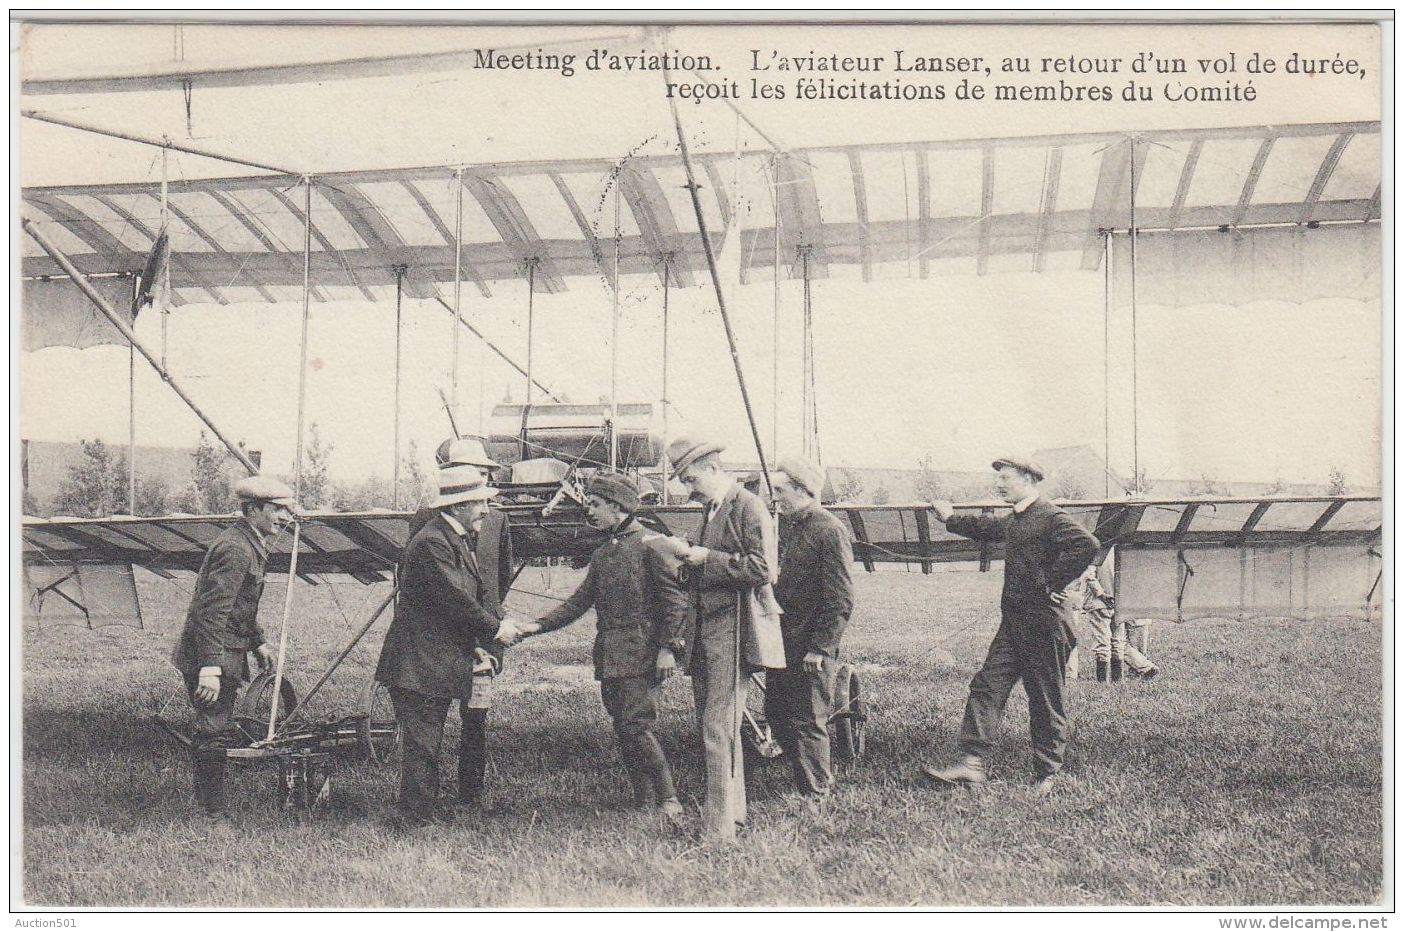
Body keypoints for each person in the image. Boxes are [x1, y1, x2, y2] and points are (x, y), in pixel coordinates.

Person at [923, 456, 1099, 794]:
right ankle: (971, 763)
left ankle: (1047, 775)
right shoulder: (1017, 520)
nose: (998, 484)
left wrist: (1051, 583)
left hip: (1046, 625)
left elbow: (1087, 545)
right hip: (1015, 625)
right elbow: (986, 528)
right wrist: (949, 517)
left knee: (1045, 698)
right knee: (987, 686)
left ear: (1029, 480)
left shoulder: (1050, 516)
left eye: (1005, 478)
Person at [525, 474, 690, 824]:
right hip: (611, 654)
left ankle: (669, 798)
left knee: (636, 725)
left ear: (617, 507)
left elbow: (675, 603)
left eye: (595, 504)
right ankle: (642, 799)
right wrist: (536, 626)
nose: (589, 511)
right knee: (623, 726)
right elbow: (578, 603)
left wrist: (668, 649)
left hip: (643, 653)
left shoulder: (651, 545)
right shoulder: (603, 553)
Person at [375, 465, 530, 828]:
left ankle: (418, 811)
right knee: (424, 743)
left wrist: (472, 646)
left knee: (427, 741)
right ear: (459, 505)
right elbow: (455, 600)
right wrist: (496, 630)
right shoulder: (433, 542)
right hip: (418, 661)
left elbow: (449, 607)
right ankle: (414, 819)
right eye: (479, 503)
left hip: (433, 656)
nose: (486, 511)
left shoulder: (450, 537)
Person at [170, 475, 295, 815]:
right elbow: (211, 612)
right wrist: (209, 669)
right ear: (253, 509)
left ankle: (212, 806)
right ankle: (212, 814)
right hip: (213, 655)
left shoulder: (249, 543)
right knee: (212, 729)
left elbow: (241, 605)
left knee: (217, 727)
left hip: (226, 650)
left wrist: (258, 643)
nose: (285, 517)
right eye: (277, 509)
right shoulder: (237, 549)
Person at [667, 436, 771, 842]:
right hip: (707, 632)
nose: (688, 489)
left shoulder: (748, 506)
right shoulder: (712, 509)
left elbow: (763, 568)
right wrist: (687, 563)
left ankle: (718, 830)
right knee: (718, 726)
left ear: (712, 469)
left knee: (717, 728)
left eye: (691, 478)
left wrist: (705, 558)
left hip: (733, 630)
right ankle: (734, 812)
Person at [405, 436, 514, 807]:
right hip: (451, 634)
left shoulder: (496, 519)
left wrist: (489, 633)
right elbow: (438, 590)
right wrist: (490, 627)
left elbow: (499, 578)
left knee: (475, 718)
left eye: (482, 474)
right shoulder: (430, 528)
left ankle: (472, 792)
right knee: (428, 724)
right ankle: (420, 808)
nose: (484, 502)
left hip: (478, 634)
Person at [769, 456, 855, 802]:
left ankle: (817, 791)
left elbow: (841, 597)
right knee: (777, 713)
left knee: (808, 718)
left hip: (810, 645)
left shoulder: (828, 529)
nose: (774, 497)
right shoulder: (790, 526)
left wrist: (821, 648)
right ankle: (801, 778)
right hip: (783, 641)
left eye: (780, 489)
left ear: (803, 489)